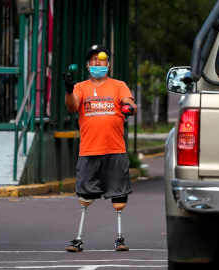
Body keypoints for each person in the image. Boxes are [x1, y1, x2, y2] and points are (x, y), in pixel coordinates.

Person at [62, 44, 137, 252]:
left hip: (115, 149)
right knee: (85, 197)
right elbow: (72, 105)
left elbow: (130, 103)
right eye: (93, 59)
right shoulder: (81, 87)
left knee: (119, 198)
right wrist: (68, 90)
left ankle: (120, 238)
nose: (97, 62)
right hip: (89, 150)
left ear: (108, 64)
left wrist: (129, 108)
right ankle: (78, 239)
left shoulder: (118, 85)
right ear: (87, 66)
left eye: (101, 58)